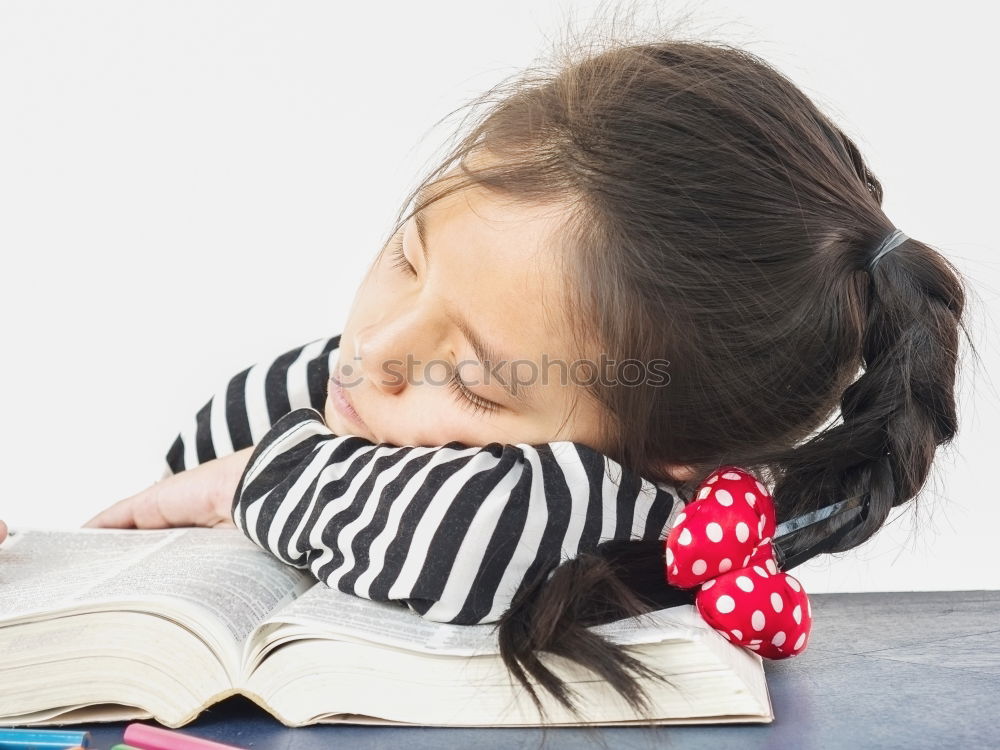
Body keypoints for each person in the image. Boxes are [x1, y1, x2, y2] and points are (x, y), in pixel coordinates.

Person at [83, 32, 972, 716]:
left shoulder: (641, 506)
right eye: (406, 256)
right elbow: (188, 462)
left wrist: (255, 478)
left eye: (472, 380)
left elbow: (475, 528)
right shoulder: (376, 372)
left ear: (671, 457)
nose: (375, 351)